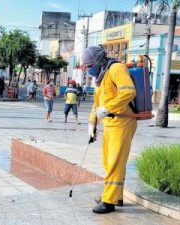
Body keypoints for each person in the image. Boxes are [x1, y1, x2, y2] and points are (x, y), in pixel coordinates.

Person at [81, 45, 137, 214]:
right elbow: (97, 104)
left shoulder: (116, 69)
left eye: (89, 66)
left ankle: (109, 201)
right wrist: (92, 123)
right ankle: (116, 195)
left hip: (123, 122)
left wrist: (109, 108)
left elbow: (129, 92)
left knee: (114, 162)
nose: (88, 69)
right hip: (111, 124)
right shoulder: (100, 76)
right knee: (109, 161)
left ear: (98, 61)